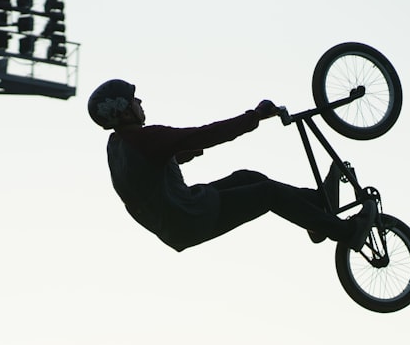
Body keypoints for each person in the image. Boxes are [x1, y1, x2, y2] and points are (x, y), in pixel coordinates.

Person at [87, 79, 373, 253]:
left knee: (246, 177)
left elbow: (148, 176)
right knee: (267, 194)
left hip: (179, 218)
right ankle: (348, 234)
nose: (140, 101)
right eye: (133, 99)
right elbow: (203, 134)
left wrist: (182, 154)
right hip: (190, 215)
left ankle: (317, 207)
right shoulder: (146, 138)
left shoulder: (119, 146)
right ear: (122, 110)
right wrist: (255, 116)